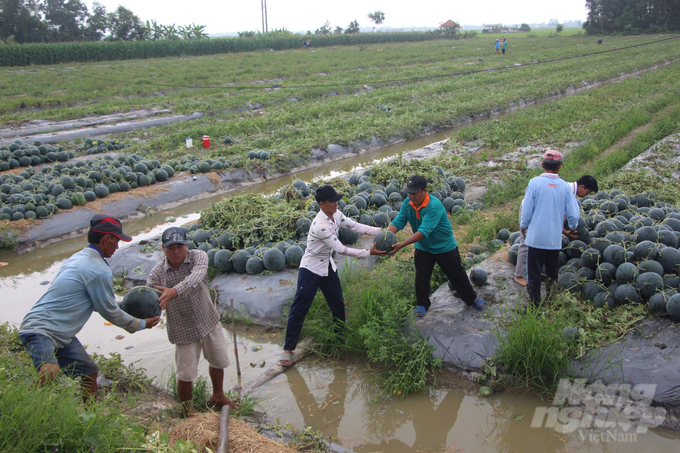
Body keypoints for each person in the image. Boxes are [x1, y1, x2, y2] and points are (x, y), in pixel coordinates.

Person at [19, 214, 160, 402]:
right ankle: (23, 407)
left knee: (89, 371)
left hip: (61, 333)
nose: (117, 247)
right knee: (50, 370)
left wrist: (124, 307)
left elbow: (90, 301)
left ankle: (90, 415)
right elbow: (109, 312)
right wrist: (140, 324)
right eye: (116, 241)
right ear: (105, 239)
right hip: (41, 328)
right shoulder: (98, 270)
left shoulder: (77, 258)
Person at [279, 185, 385, 367]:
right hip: (311, 269)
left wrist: (381, 231)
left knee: (337, 303)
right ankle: (288, 349)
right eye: (332, 201)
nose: (337, 203)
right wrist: (369, 253)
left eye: (337, 199)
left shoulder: (336, 214)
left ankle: (339, 337)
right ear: (322, 204)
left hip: (327, 266)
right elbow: (341, 249)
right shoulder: (320, 226)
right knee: (300, 307)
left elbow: (355, 226)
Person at [147, 227, 237, 416]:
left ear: (186, 245)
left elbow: (197, 277)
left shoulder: (198, 257)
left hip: (208, 320)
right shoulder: (157, 275)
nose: (176, 251)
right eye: (171, 247)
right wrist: (147, 316)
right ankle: (187, 411)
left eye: (180, 246)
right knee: (185, 374)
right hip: (182, 329)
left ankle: (218, 395)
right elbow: (149, 299)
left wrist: (174, 291)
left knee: (218, 360)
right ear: (163, 248)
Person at [388, 175, 487, 317]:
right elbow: (398, 222)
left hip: (444, 247)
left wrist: (402, 244)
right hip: (423, 248)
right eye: (409, 193)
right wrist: (386, 236)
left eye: (414, 193)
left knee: (457, 275)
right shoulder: (407, 203)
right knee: (421, 278)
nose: (411, 196)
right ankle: (422, 304)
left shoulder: (434, 206)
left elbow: (424, 231)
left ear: (424, 191)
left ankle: (472, 299)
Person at [513, 174, 598, 286]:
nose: (585, 195)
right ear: (582, 187)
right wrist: (571, 229)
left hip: (539, 213)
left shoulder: (566, 188)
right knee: (526, 243)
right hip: (530, 210)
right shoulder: (566, 189)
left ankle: (538, 274)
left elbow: (558, 216)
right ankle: (519, 275)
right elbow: (570, 215)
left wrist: (564, 231)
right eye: (587, 192)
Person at [520, 151, 580, 307]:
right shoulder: (565, 187)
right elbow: (573, 214)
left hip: (536, 239)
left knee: (533, 273)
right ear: (560, 167)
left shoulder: (534, 183)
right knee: (552, 273)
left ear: (542, 165)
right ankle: (552, 302)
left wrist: (523, 225)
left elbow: (527, 209)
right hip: (554, 240)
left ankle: (534, 306)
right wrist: (572, 227)